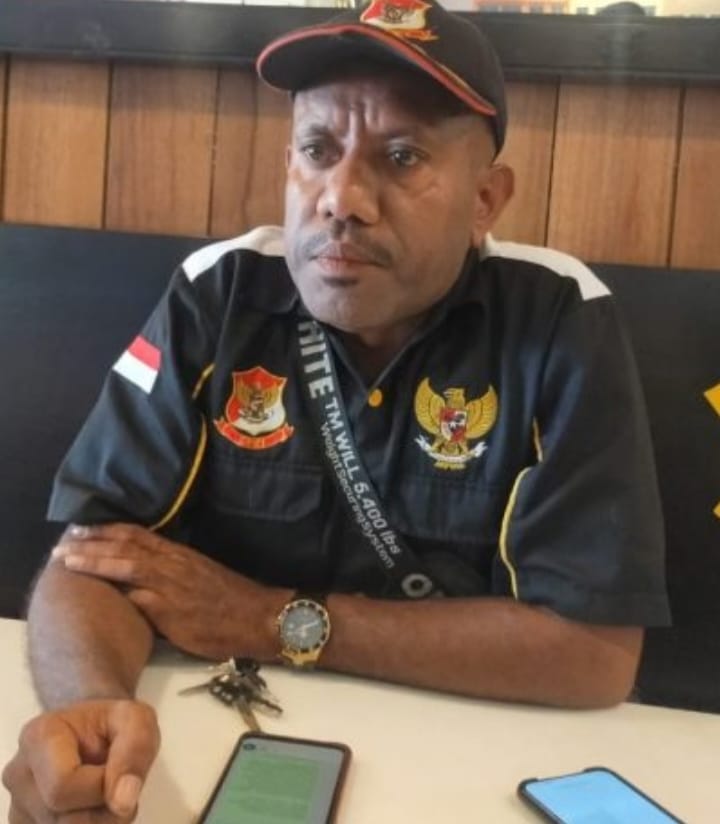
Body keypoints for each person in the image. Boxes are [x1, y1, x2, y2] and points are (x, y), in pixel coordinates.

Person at [2, 0, 670, 820]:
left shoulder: (561, 315)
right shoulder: (218, 293)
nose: (342, 198)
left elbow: (594, 653)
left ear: (486, 199)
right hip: (222, 738)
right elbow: (95, 559)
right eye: (318, 151)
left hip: (468, 762)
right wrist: (92, 710)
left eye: (402, 156)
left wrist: (268, 619)